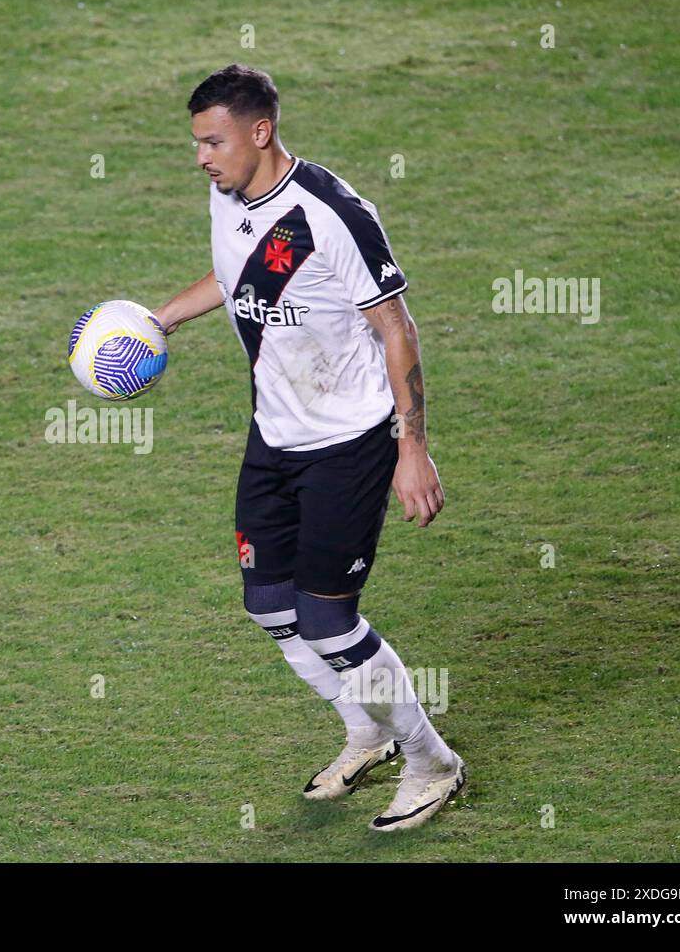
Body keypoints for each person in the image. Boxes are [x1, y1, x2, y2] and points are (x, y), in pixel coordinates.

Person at [151, 64, 465, 830]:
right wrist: (156, 320)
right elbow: (241, 276)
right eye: (196, 143)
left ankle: (432, 761)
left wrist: (411, 449)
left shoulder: (333, 214)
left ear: (261, 132)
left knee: (328, 621)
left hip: (349, 443)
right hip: (275, 438)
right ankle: (366, 729)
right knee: (269, 608)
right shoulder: (227, 194)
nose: (202, 157)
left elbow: (398, 330)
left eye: (213, 141)